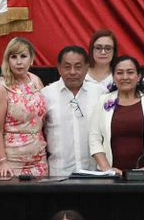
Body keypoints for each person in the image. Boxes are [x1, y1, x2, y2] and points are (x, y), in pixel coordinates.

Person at [87, 56, 144, 176]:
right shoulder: (103, 100)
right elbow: (94, 137)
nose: (125, 77)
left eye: (130, 72)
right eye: (119, 73)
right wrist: (106, 168)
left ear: (139, 76)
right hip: (112, 175)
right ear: (113, 77)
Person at [0, 37, 49, 178]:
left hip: (39, 158)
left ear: (31, 59)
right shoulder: (1, 88)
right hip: (12, 161)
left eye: (23, 56)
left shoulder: (36, 81)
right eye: (13, 57)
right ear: (7, 60)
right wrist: (3, 161)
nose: (19, 62)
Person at [41, 46, 100, 177]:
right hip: (58, 174)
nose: (72, 72)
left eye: (78, 67)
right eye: (67, 67)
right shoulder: (46, 95)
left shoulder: (100, 93)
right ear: (59, 68)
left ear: (87, 68)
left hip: (94, 173)